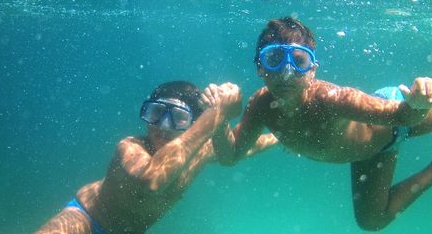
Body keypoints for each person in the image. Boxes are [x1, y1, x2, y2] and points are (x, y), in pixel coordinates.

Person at [203, 17, 432, 231]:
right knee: (372, 222)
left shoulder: (331, 99)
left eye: (299, 61)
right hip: (370, 154)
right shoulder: (260, 106)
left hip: (396, 124)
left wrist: (420, 103)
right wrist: (218, 117)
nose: (286, 72)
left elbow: (403, 116)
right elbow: (230, 155)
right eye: (275, 59)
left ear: (313, 69)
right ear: (260, 67)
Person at [34, 81, 273, 234]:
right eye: (156, 113)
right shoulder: (129, 146)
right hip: (85, 219)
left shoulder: (199, 150)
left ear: (193, 123)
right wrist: (216, 114)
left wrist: (280, 137)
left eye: (178, 118)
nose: (163, 126)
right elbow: (152, 178)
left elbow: (243, 148)